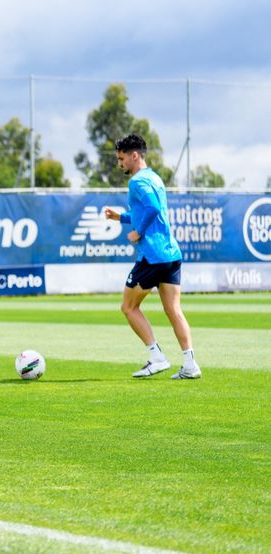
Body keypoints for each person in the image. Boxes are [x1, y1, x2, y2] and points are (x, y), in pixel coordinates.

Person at [104, 133, 201, 379]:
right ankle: (190, 365)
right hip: (171, 254)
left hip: (153, 255)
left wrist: (137, 232)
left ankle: (157, 357)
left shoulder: (136, 182)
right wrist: (121, 218)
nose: (120, 163)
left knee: (128, 306)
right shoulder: (155, 178)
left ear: (134, 155)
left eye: (122, 158)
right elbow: (149, 211)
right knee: (174, 310)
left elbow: (153, 210)